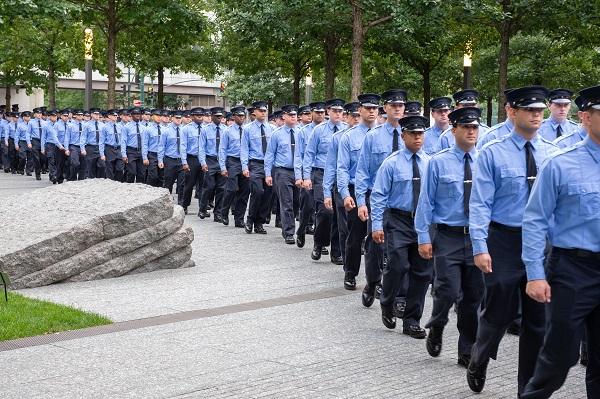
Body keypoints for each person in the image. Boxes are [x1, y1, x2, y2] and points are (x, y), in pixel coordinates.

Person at [467, 86, 558, 395]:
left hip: (540, 242)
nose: (536, 115)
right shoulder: (493, 151)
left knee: (537, 322)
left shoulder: (551, 152)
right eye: (529, 110)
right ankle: (479, 356)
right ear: (513, 112)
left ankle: (527, 389)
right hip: (503, 240)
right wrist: (479, 246)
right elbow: (479, 203)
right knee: (497, 314)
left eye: (539, 110)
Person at [520, 84, 600, 399]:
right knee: (560, 356)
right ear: (586, 117)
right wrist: (535, 274)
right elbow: (536, 219)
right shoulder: (560, 163)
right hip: (572, 269)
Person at [415, 107, 484, 367]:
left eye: (475, 127)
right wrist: (423, 236)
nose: (471, 132)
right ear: (453, 130)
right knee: (447, 290)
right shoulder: (438, 162)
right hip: (448, 236)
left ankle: (467, 348)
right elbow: (426, 202)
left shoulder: (485, 161)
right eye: (466, 127)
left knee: (472, 297)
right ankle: (438, 324)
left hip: (477, 237)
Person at [371, 114, 432, 338]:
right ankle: (387, 302)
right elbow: (378, 195)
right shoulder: (392, 163)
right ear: (403, 135)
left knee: (422, 272)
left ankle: (412, 320)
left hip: (423, 222)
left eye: (421, 134)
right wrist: (376, 225)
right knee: (397, 265)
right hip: (398, 219)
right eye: (413, 134)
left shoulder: (430, 163)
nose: (417, 138)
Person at [355, 88, 407, 310]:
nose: (397, 108)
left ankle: (398, 297)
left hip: (402, 202)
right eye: (393, 105)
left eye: (401, 105)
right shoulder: (373, 137)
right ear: (384, 108)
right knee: (375, 245)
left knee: (399, 252)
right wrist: (360, 201)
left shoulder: (411, 136)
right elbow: (362, 171)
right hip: (377, 199)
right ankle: (372, 282)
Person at [337, 93, 380, 289]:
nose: (371, 112)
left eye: (374, 108)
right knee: (355, 234)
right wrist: (345, 193)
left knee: (378, 236)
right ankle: (351, 272)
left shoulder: (384, 135)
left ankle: (376, 279)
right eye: (368, 108)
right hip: (356, 190)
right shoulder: (349, 137)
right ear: (360, 110)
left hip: (380, 192)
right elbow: (342, 168)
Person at [302, 99, 347, 260]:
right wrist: (306, 177)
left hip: (340, 175)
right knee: (324, 211)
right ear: (328, 112)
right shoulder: (319, 131)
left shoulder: (346, 131)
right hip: (320, 174)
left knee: (338, 214)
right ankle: (319, 243)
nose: (338, 114)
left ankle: (336, 251)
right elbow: (309, 154)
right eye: (334, 111)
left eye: (340, 112)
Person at [264, 104, 301, 244]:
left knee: (297, 202)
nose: (293, 117)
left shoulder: (301, 133)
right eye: (290, 115)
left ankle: (291, 226)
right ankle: (289, 232)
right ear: (283, 116)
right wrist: (268, 174)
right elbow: (269, 155)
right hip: (282, 171)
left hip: (298, 172)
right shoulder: (276, 134)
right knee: (287, 202)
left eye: (295, 115)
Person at [241, 101, 273, 234]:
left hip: (269, 165)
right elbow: (244, 149)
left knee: (267, 194)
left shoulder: (272, 128)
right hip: (255, 164)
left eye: (265, 111)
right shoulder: (248, 129)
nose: (263, 113)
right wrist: (244, 166)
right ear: (255, 112)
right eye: (261, 111)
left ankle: (259, 222)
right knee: (257, 191)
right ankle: (250, 219)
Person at [219, 105, 249, 227]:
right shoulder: (228, 131)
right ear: (234, 116)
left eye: (243, 116)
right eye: (239, 115)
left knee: (244, 191)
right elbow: (222, 149)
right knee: (231, 189)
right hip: (233, 161)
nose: (242, 118)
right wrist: (223, 167)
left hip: (245, 162)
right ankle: (224, 211)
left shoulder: (247, 130)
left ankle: (239, 218)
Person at [198, 107, 227, 222]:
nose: (220, 118)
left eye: (221, 116)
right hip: (210, 160)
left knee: (221, 188)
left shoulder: (226, 129)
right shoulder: (205, 130)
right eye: (217, 116)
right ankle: (202, 209)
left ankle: (218, 213)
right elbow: (201, 147)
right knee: (209, 187)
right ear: (212, 117)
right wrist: (203, 162)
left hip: (222, 161)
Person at [158, 110, 185, 206]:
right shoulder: (166, 130)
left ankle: (181, 204)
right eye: (177, 118)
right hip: (170, 160)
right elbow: (161, 146)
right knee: (168, 183)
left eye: (180, 118)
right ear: (172, 118)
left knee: (182, 184)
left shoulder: (184, 130)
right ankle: (167, 203)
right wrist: (160, 160)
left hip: (182, 160)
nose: (178, 120)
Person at [180, 108, 204, 214]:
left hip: (204, 159)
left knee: (204, 185)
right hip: (192, 159)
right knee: (189, 184)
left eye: (201, 115)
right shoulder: (186, 129)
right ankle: (185, 205)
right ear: (192, 117)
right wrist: (184, 162)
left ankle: (202, 208)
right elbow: (183, 146)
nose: (200, 117)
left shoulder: (206, 128)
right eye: (197, 115)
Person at [81, 108, 105, 178]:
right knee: (91, 167)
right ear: (91, 115)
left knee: (102, 165)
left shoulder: (102, 125)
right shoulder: (86, 125)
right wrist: (82, 149)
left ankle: (100, 180)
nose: (97, 115)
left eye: (98, 114)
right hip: (91, 148)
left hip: (100, 147)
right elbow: (83, 137)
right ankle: (92, 182)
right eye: (95, 114)